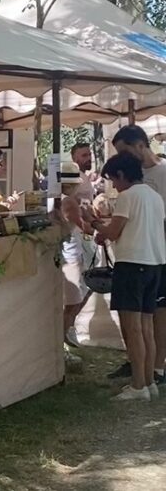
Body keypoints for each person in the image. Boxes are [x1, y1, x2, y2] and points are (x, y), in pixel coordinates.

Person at [85, 152, 165, 401]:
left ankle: (138, 385)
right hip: (155, 264)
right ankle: (149, 381)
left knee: (133, 328)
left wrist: (94, 223)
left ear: (121, 175)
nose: (114, 185)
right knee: (146, 327)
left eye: (113, 180)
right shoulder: (155, 197)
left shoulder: (128, 197)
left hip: (132, 264)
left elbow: (113, 231)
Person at [109, 125, 166, 386]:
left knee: (144, 322)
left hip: (142, 260)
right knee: (143, 323)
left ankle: (147, 377)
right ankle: (145, 374)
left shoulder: (134, 191)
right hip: (152, 258)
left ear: (140, 145)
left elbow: (116, 229)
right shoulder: (146, 190)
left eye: (124, 151)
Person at [53, 161, 94, 351]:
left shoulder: (56, 198)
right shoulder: (68, 201)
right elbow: (83, 226)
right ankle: (65, 337)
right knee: (74, 300)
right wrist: (94, 222)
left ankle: (64, 337)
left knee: (72, 299)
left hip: (64, 252)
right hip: (70, 253)